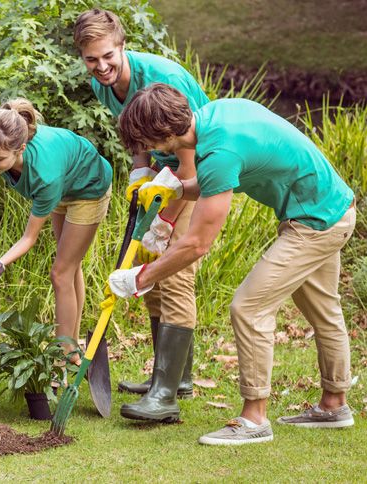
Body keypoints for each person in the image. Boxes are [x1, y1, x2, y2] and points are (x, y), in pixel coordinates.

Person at [110, 83, 356, 444]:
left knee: (248, 307)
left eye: (148, 142)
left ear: (164, 133)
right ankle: (334, 405)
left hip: (315, 224)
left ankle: (254, 418)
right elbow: (213, 182)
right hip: (332, 207)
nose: (148, 151)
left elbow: (196, 244)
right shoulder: (216, 117)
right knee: (323, 311)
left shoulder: (220, 150)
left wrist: (141, 277)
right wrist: (176, 188)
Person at [73, 8, 211, 413]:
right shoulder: (106, 83)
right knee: (147, 266)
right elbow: (136, 132)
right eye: (91, 60)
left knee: (175, 272)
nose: (101, 67)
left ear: (122, 46)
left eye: (108, 57)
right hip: (160, 175)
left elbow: (190, 157)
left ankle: (167, 395)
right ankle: (169, 377)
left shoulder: (161, 78)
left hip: (198, 174)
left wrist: (164, 220)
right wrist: (139, 176)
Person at [0, 98, 113, 364]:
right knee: (69, 267)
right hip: (64, 183)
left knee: (60, 273)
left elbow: (29, 238)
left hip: (88, 188)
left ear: (21, 148)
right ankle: (73, 348)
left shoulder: (44, 174)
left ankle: (64, 356)